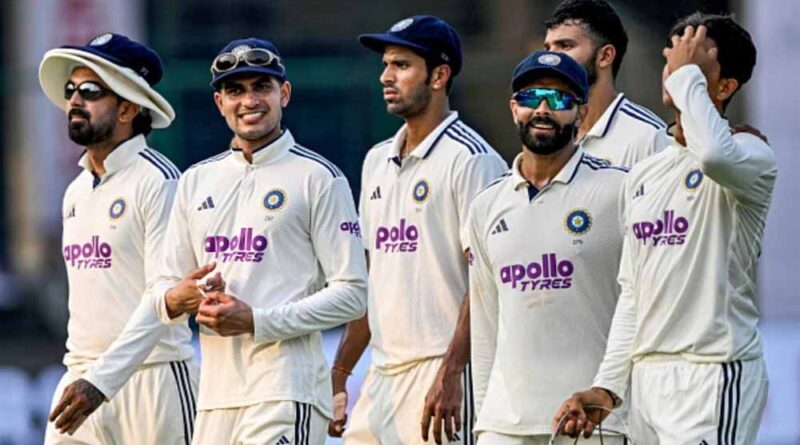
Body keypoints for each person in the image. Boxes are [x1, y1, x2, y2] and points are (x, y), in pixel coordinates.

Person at [553, 14, 776, 445]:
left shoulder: (750, 155)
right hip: (647, 382)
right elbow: (633, 290)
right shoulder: (645, 174)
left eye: (692, 63)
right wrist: (607, 385)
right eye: (672, 60)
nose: (675, 72)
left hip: (711, 372)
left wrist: (688, 78)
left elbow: (712, 155)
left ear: (725, 87)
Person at [149, 37, 368, 445]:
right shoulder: (196, 180)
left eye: (261, 87)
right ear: (219, 103)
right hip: (215, 401)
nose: (249, 101)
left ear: (284, 93)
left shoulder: (318, 177)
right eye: (235, 90)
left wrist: (257, 321)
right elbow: (164, 287)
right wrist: (186, 295)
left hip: (287, 392)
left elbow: (353, 294)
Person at [329, 15, 507, 445]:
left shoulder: (474, 160)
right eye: (386, 65)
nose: (386, 76)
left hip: (444, 370)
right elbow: (370, 277)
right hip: (382, 374)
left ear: (439, 76)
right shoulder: (376, 160)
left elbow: (487, 281)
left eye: (402, 65)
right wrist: (339, 371)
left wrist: (451, 372)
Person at [38, 33, 200, 444]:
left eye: (91, 91)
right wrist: (91, 377)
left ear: (128, 108)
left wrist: (103, 381)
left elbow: (163, 295)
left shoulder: (159, 181)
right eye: (71, 90)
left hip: (153, 379)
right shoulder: (76, 191)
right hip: (80, 377)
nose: (75, 100)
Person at [467, 50, 628, 445]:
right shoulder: (486, 205)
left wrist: (614, 395)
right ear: (514, 108)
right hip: (504, 426)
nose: (542, 109)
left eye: (558, 99)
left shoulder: (620, 189)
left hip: (591, 421)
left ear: (581, 113)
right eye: (531, 97)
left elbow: (640, 303)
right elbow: (485, 323)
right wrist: (485, 416)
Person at [543, 0, 670, 167]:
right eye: (548, 49)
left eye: (565, 46)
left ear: (605, 56)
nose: (551, 59)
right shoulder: (547, 131)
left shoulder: (649, 138)